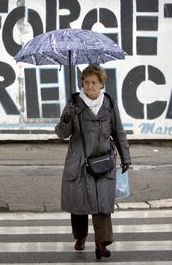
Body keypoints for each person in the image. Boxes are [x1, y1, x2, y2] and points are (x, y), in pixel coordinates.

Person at [55, 64, 131, 260]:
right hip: (80, 162)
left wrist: (125, 157)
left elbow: (118, 131)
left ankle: (101, 244)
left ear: (101, 84)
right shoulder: (74, 103)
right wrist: (66, 118)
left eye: (94, 83)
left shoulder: (109, 102)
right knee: (79, 204)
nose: (89, 86)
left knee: (102, 204)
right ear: (82, 82)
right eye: (86, 82)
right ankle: (80, 237)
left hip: (104, 161)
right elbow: (62, 134)